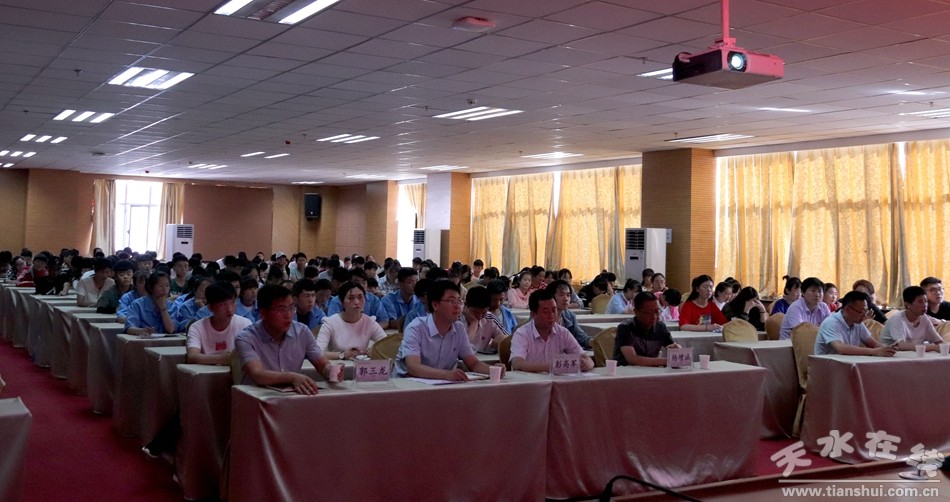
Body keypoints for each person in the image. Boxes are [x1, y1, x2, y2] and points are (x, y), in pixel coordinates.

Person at [235, 285, 334, 394]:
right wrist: (292, 377)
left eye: (291, 308)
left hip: (291, 397)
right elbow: (257, 374)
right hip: (256, 397)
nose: (288, 315)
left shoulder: (302, 332)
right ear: (263, 313)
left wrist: (330, 371)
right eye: (281, 310)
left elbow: (322, 365)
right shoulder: (246, 338)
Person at [395, 281, 503, 380]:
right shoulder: (416, 328)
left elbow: (473, 363)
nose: (457, 306)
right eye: (451, 301)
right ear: (435, 305)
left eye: (459, 301)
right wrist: (446, 374)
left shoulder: (459, 328)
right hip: (408, 385)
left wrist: (494, 370)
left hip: (443, 385)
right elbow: (413, 367)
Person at [510, 290, 594, 372]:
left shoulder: (563, 332)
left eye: (554, 310)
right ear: (533, 315)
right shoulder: (522, 333)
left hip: (558, 380)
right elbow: (517, 363)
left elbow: (585, 358)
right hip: (530, 380)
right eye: (545, 312)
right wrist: (553, 366)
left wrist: (587, 363)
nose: (551, 316)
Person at [316, 281, 387, 360]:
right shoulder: (330, 322)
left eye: (360, 297)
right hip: (338, 365)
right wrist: (341, 355)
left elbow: (388, 345)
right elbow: (317, 352)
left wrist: (374, 349)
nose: (357, 302)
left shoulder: (369, 322)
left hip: (362, 366)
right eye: (351, 298)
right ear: (342, 302)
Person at [186, 282, 252, 365]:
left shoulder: (245, 324)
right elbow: (192, 357)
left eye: (233, 302)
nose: (230, 309)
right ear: (210, 307)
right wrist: (221, 358)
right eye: (223, 304)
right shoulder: (197, 327)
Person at [814, 291, 897, 356]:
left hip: (847, 364)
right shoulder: (831, 322)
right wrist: (874, 351)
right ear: (847, 309)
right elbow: (841, 348)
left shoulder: (858, 323)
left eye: (865, 311)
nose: (864, 315)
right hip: (826, 367)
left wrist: (888, 349)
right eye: (861, 312)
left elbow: (874, 345)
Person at [615, 292, 681, 367]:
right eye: (649, 313)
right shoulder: (625, 327)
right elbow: (632, 359)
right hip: (625, 371)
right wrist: (667, 361)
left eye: (657, 311)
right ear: (636, 312)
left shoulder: (660, 327)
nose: (654, 316)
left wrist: (677, 349)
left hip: (652, 371)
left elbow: (672, 346)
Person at [880, 286, 944, 351]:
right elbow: (901, 345)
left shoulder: (924, 318)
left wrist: (945, 346)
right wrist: (933, 347)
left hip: (912, 355)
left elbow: (939, 342)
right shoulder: (897, 319)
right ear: (907, 304)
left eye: (926, 301)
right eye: (920, 302)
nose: (925, 305)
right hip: (888, 355)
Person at [125, 271, 186, 336]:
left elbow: (170, 329)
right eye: (160, 286)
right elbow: (129, 328)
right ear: (151, 287)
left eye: (167, 286)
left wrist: (163, 309)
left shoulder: (171, 306)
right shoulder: (137, 304)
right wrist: (143, 331)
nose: (164, 290)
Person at [546, 280, 594, 349]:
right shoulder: (541, 316)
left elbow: (581, 337)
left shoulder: (569, 316)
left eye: (568, 295)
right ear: (551, 296)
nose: (566, 299)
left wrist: (594, 342)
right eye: (561, 295)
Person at [462, 285, 507, 353]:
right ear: (466, 306)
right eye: (476, 312)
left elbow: (510, 338)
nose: (480, 317)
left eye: (484, 312)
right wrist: (473, 324)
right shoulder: (456, 320)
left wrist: (504, 337)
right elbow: (462, 348)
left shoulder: (489, 318)